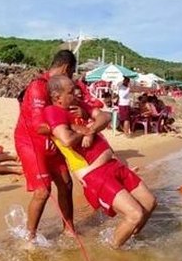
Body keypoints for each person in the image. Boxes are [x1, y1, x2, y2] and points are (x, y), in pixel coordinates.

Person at [44, 75, 156, 248]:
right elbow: (66, 140)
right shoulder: (53, 112)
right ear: (57, 96)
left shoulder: (79, 105)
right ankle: (114, 252)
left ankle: (128, 239)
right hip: (95, 173)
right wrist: (86, 129)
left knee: (150, 202)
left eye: (75, 89)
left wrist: (90, 130)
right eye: (70, 91)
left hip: (112, 163)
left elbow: (105, 117)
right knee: (135, 214)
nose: (76, 93)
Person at [14, 50, 103, 242]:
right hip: (31, 142)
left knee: (66, 184)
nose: (72, 85)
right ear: (66, 68)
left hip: (54, 141)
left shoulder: (64, 90)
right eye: (71, 75)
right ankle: (29, 238)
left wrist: (83, 115)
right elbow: (39, 127)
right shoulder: (39, 87)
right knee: (43, 191)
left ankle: (69, 230)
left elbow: (88, 113)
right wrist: (75, 128)